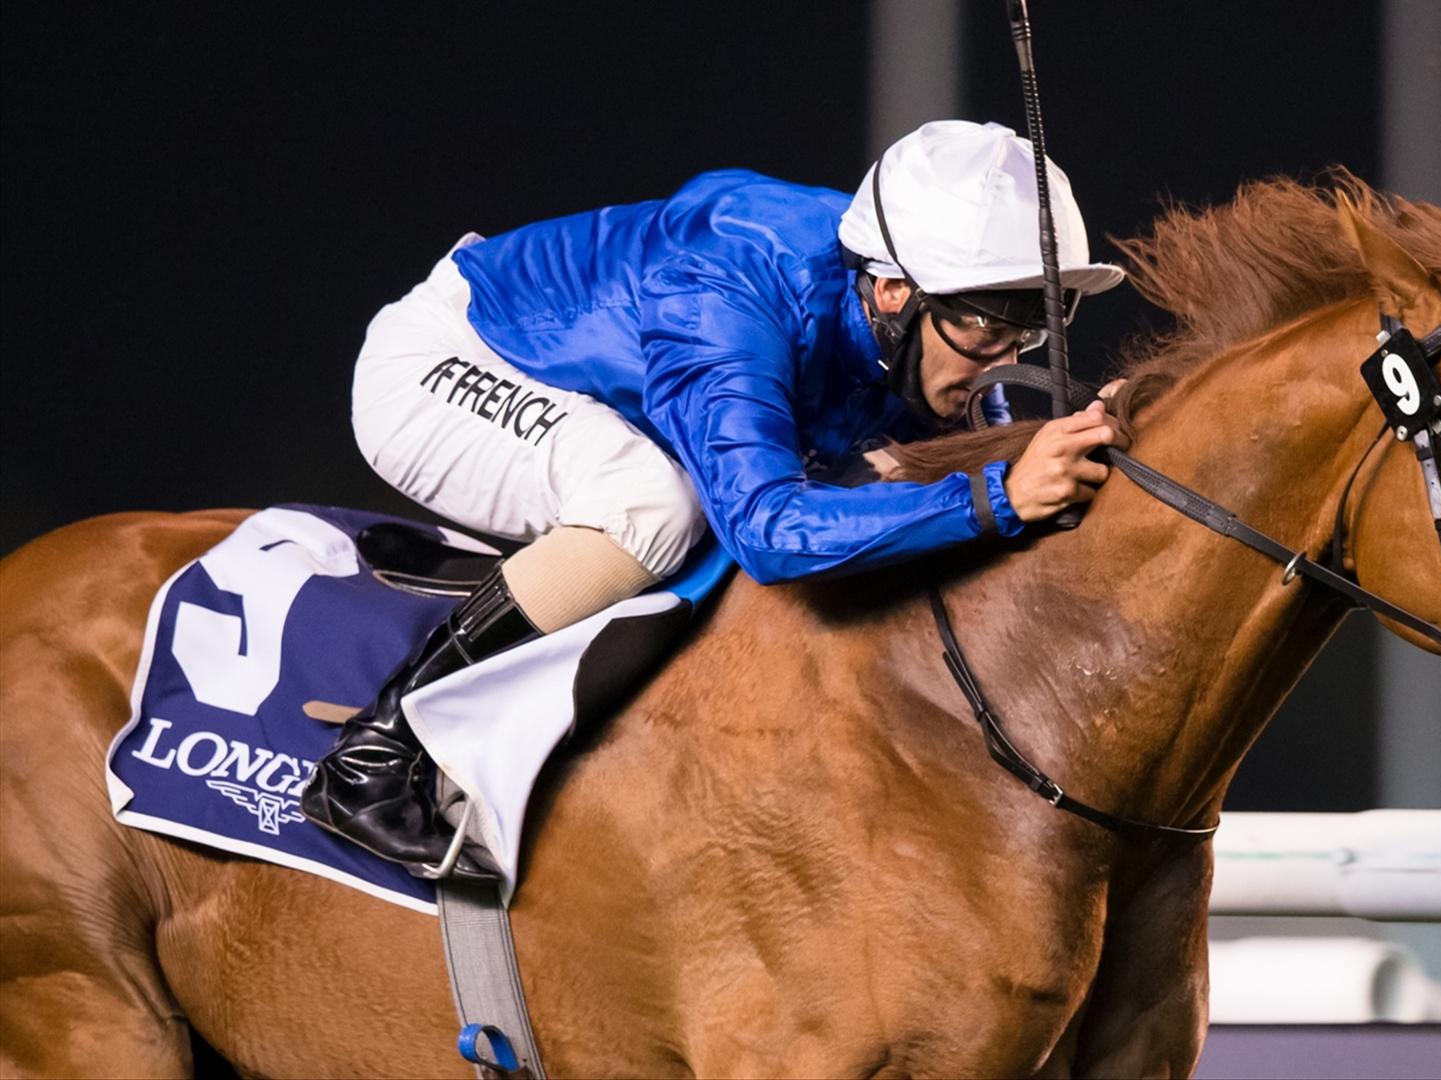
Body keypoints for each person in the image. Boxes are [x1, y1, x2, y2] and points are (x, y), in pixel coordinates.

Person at [300, 120, 1130, 875]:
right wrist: (994, 497)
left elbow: (958, 473)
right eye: (989, 326)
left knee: (881, 480)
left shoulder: (919, 313)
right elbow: (767, 532)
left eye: (1030, 328)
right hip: (444, 365)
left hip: (602, 395)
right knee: (656, 505)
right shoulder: (724, 293)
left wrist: (1050, 461)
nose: (1004, 357)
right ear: (890, 292)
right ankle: (376, 754)